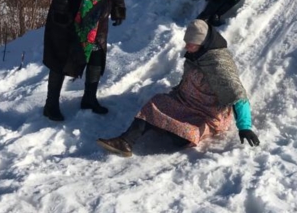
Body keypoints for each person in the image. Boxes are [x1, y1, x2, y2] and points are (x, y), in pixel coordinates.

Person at [97, 19, 260, 157]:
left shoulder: (218, 64)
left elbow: (238, 95)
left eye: (191, 44)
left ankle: (166, 127)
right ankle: (125, 142)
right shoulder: (197, 54)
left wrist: (244, 127)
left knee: (184, 136)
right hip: (186, 101)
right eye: (186, 42)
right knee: (155, 103)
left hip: (207, 113)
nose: (187, 47)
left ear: (202, 43)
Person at [42, 0, 130, 121]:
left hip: (98, 18)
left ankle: (89, 98)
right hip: (68, 16)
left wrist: (118, 8)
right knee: (61, 58)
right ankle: (51, 105)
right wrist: (60, 10)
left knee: (96, 56)